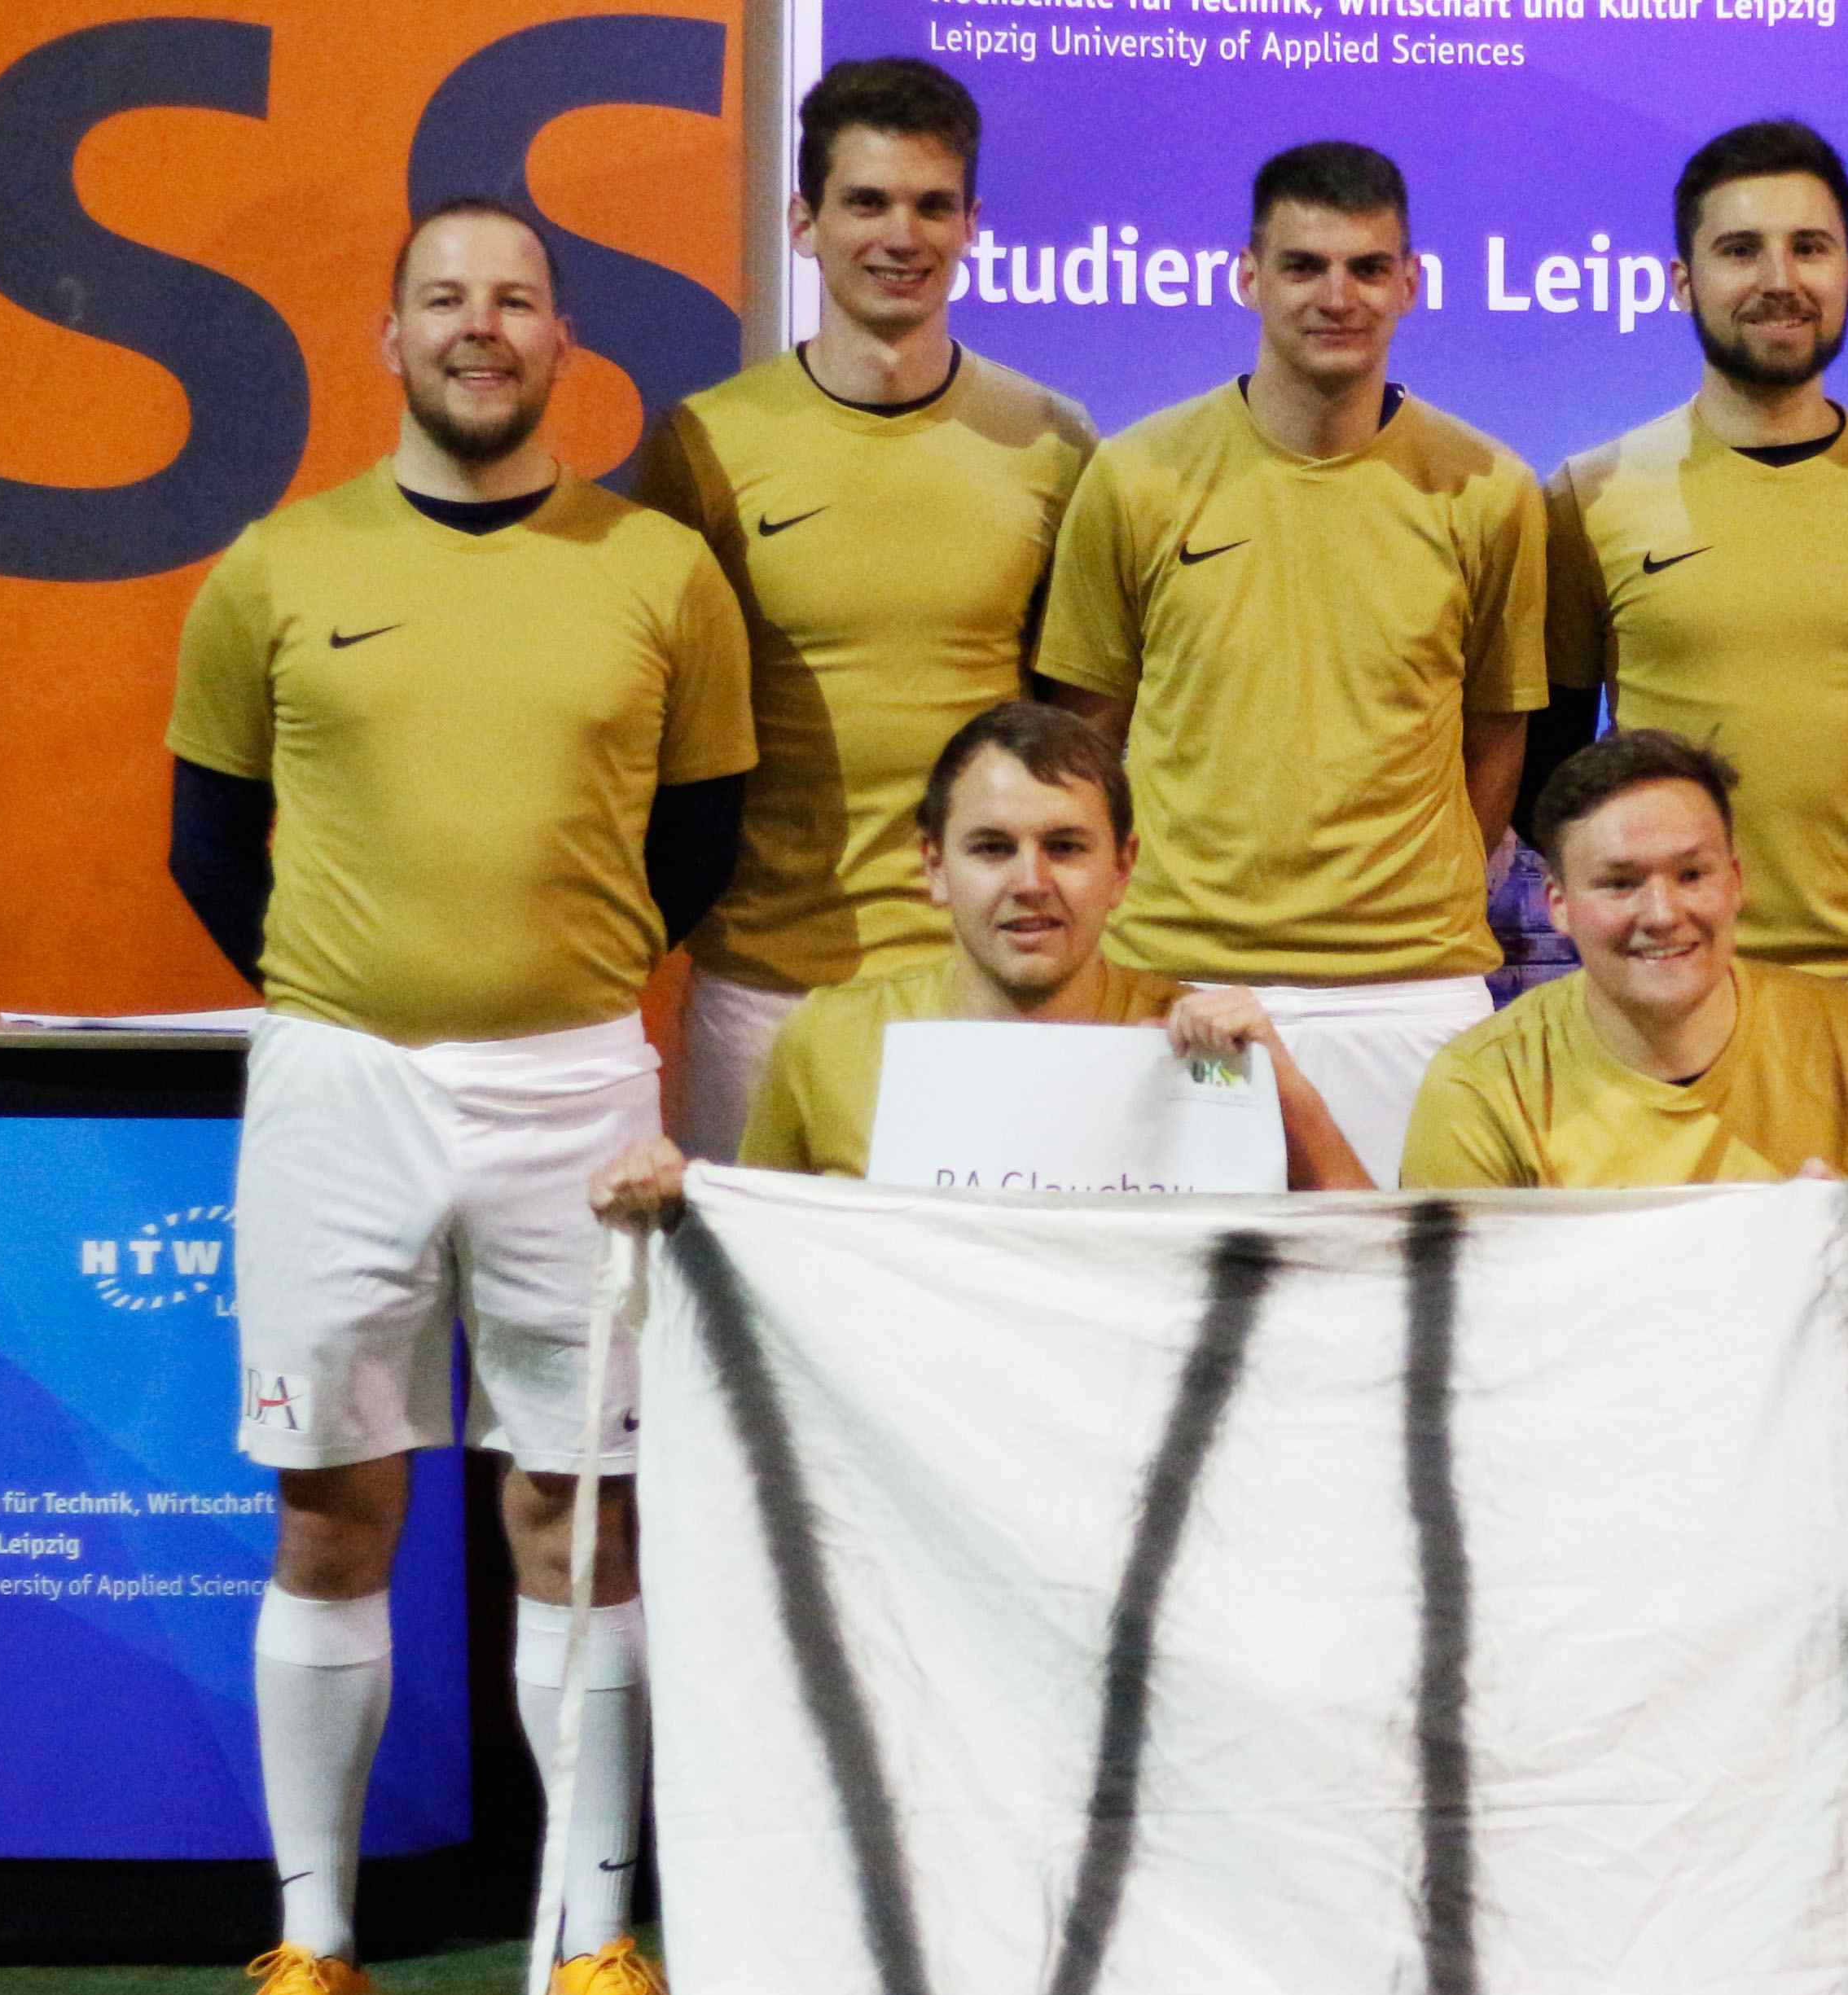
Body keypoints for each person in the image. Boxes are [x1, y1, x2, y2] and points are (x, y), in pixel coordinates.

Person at [162, 198, 756, 1995]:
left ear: (563, 338)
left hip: (577, 1088)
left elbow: (701, 837)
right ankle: (315, 1948)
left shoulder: (658, 571)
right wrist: (355, 988)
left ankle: (595, 1944)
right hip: (336, 1085)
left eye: (513, 299)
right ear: (391, 335)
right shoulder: (275, 564)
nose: (479, 327)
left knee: (581, 1515)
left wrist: (551, 977)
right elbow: (208, 840)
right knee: (330, 1505)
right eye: (444, 298)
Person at [1035, 141, 1544, 1188]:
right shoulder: (1136, 477)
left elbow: (1498, 736)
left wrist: (1405, 893)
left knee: (1400, 1284)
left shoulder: (1490, 489)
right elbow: (1082, 740)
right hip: (1176, 977)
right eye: (1304, 266)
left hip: (1411, 994)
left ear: (1411, 282)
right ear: (1247, 275)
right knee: (1185, 1286)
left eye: (1367, 268)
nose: (1336, 297)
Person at [1534, 118, 1848, 1177]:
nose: (1778, 279)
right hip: (1677, 1000)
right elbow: (1552, 766)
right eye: (1739, 249)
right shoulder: (1589, 496)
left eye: (1808, 248)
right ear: (1681, 279)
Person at [634, 57, 1098, 1163]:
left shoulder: (1052, 442)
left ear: (972, 224)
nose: (901, 235)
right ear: (805, 222)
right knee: (752, 1281)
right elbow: (657, 727)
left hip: (986, 983)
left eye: (933, 205)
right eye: (867, 202)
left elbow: (1087, 724)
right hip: (763, 989)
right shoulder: (704, 445)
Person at [588, 703, 1366, 1209]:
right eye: (992, 848)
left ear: (1123, 869)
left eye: (1066, 847)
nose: (1031, 882)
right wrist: (670, 1210)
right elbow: (759, 1271)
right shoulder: (828, 1039)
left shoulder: (1203, 1043)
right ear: (934, 867)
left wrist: (1281, 1083)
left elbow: (1378, 1260)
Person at [1400, 730, 1848, 1188]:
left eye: (1691, 875)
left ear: (1735, 881)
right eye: (1620, 883)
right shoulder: (1482, 1088)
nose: (1662, 914)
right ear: (1558, 905)